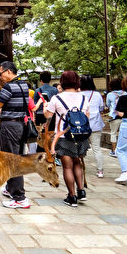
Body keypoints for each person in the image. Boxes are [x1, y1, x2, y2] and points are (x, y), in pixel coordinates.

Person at [0, 61, 31, 208]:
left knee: (10, 160)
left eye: (1, 73)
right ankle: (10, 188)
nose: (0, 76)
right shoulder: (24, 85)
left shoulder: (8, 87)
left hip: (10, 126)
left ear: (8, 71)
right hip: (21, 125)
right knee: (17, 157)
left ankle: (20, 197)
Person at [45, 71, 90, 206]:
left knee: (67, 167)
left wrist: (45, 107)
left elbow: (48, 115)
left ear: (62, 82)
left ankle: (72, 196)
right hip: (81, 136)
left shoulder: (57, 98)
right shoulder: (83, 98)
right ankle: (81, 191)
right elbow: (86, 116)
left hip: (64, 137)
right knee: (78, 163)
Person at [80, 75, 105, 178]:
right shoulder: (97, 94)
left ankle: (80, 168)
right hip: (95, 124)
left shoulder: (79, 95)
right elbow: (102, 108)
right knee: (96, 148)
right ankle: (100, 171)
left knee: (79, 147)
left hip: (81, 125)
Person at [106, 78, 125, 157]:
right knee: (123, 134)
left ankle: (114, 151)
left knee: (113, 133)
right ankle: (123, 151)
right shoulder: (126, 93)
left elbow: (108, 105)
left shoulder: (110, 94)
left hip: (113, 116)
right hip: (124, 117)